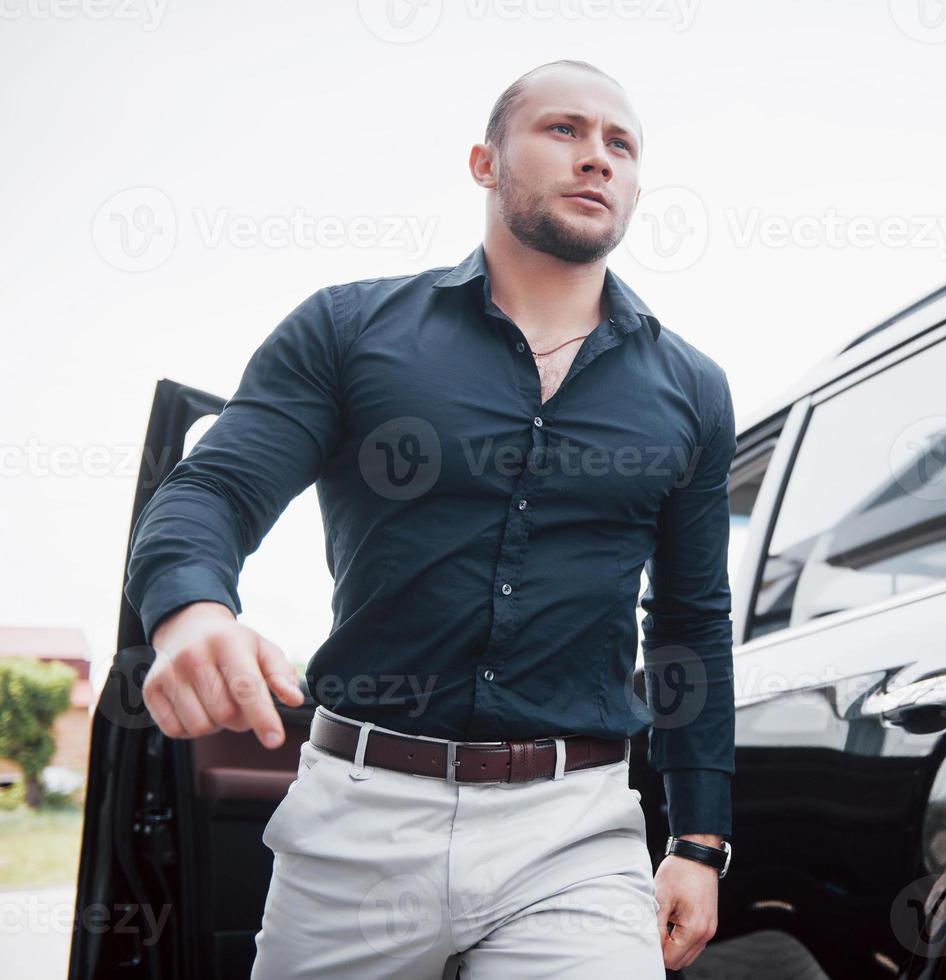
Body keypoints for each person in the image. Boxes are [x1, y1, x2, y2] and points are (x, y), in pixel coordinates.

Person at [125, 59, 735, 978]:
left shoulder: (691, 390)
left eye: (622, 144)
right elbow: (212, 487)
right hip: (358, 822)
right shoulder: (347, 329)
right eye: (564, 130)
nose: (597, 158)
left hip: (575, 832)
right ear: (485, 162)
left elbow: (691, 624)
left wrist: (699, 839)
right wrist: (192, 610)